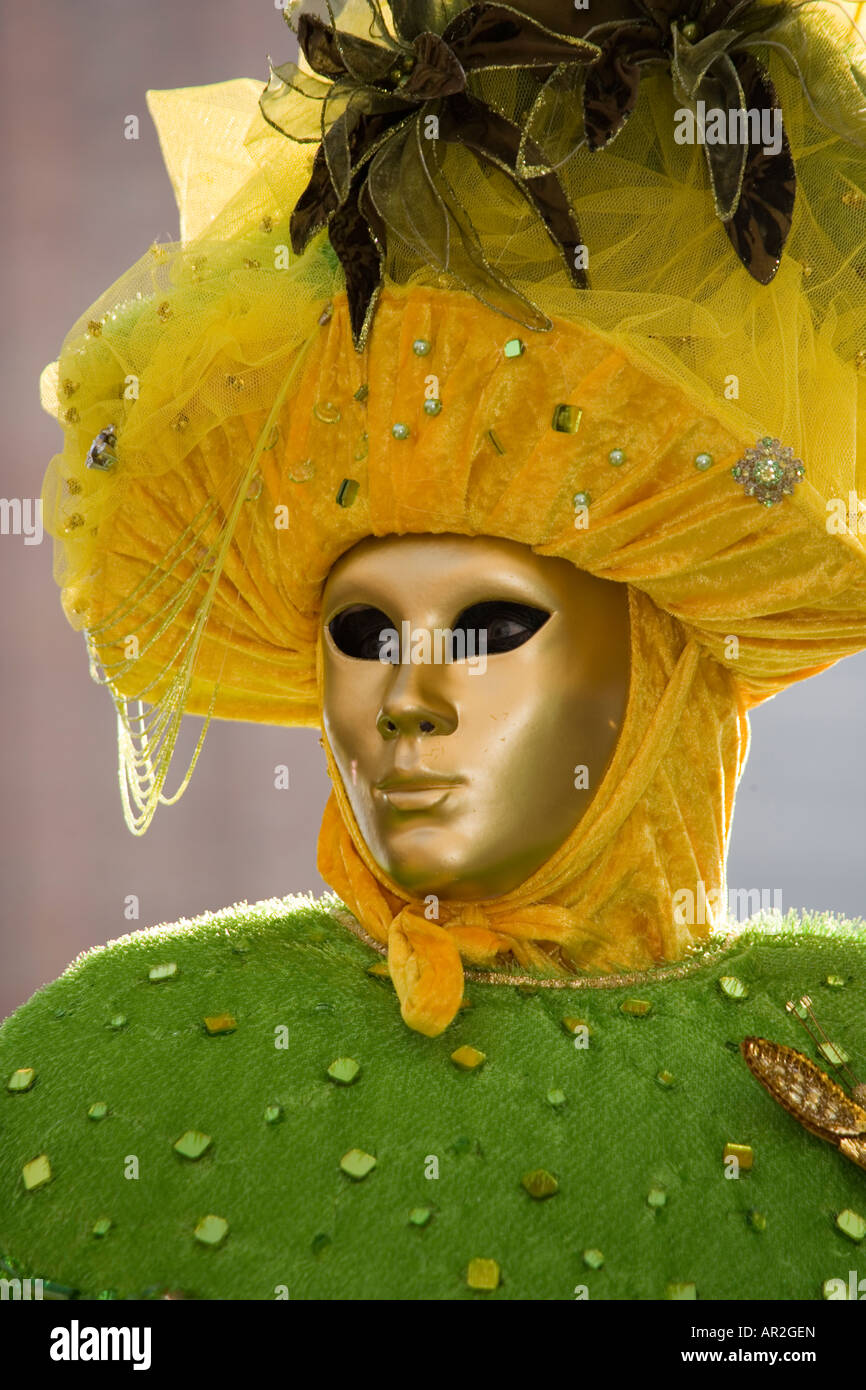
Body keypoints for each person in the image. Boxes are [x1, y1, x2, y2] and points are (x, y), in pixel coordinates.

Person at [2, 0, 866, 1300]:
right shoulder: (114, 1062)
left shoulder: (840, 1032)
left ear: (663, 662)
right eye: (360, 632)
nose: (400, 703)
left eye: (485, 627)